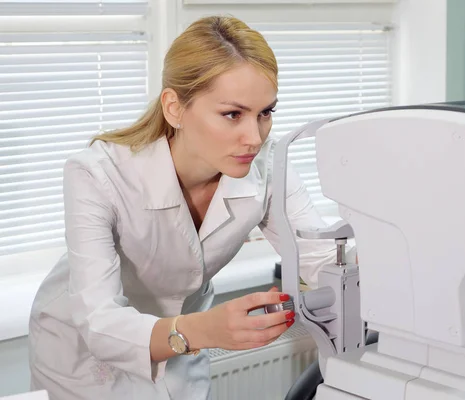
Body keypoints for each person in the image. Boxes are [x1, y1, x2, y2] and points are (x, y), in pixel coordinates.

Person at [27, 15, 355, 400]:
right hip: (82, 356)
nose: (254, 136)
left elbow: (320, 260)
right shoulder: (97, 174)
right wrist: (204, 330)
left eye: (266, 112)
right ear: (175, 108)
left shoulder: (266, 166)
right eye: (233, 114)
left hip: (186, 346)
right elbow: (98, 322)